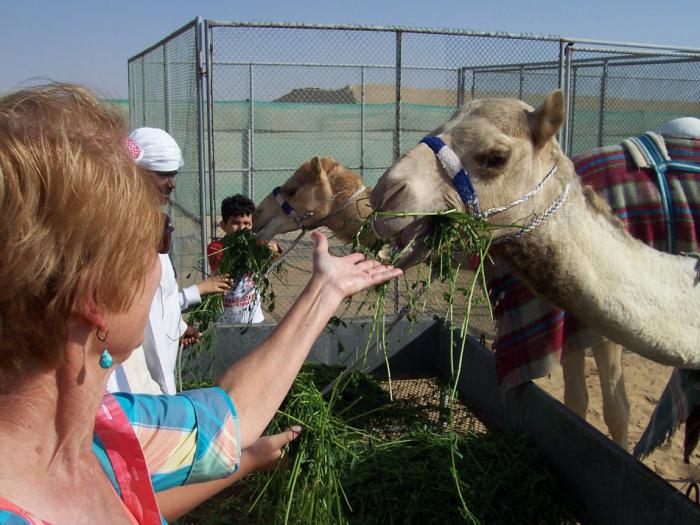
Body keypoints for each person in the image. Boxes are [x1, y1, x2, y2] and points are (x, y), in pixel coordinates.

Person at [0, 83, 401, 524]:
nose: (158, 264)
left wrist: (324, 290)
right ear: (95, 302)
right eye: (152, 243)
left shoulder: (101, 430)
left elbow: (228, 418)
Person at [107, 127, 232, 395]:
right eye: (163, 175)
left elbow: (161, 299)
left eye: (173, 175)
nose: (171, 184)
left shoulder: (152, 226)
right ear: (134, 175)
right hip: (132, 382)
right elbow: (145, 315)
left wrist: (178, 325)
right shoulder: (120, 232)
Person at [207, 194, 281, 324]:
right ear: (223, 226)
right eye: (236, 223)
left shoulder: (258, 245)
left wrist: (274, 249)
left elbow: (275, 254)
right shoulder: (216, 247)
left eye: (247, 223)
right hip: (225, 320)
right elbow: (224, 263)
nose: (242, 228)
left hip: (254, 320)